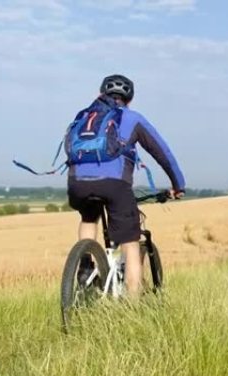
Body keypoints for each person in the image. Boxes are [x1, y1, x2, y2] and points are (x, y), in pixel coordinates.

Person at [67, 74, 185, 297]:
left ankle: (85, 265)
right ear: (129, 99)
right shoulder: (132, 118)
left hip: (77, 184)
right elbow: (162, 151)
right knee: (131, 243)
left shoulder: (83, 117)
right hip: (115, 186)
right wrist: (178, 184)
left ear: (100, 93)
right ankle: (132, 307)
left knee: (88, 217)